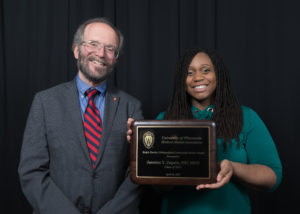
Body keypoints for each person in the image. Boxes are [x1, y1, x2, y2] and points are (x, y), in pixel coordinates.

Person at [127, 48, 282, 214]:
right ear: (182, 80)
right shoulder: (165, 120)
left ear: (218, 75)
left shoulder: (245, 117)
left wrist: (232, 168)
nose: (198, 78)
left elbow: (272, 177)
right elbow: (160, 188)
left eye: (206, 70)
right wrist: (142, 151)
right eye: (189, 73)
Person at [18, 17, 143, 214]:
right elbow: (32, 172)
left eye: (110, 49)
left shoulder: (132, 107)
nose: (101, 53)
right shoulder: (44, 102)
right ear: (77, 50)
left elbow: (137, 174)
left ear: (116, 59)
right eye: (93, 44)